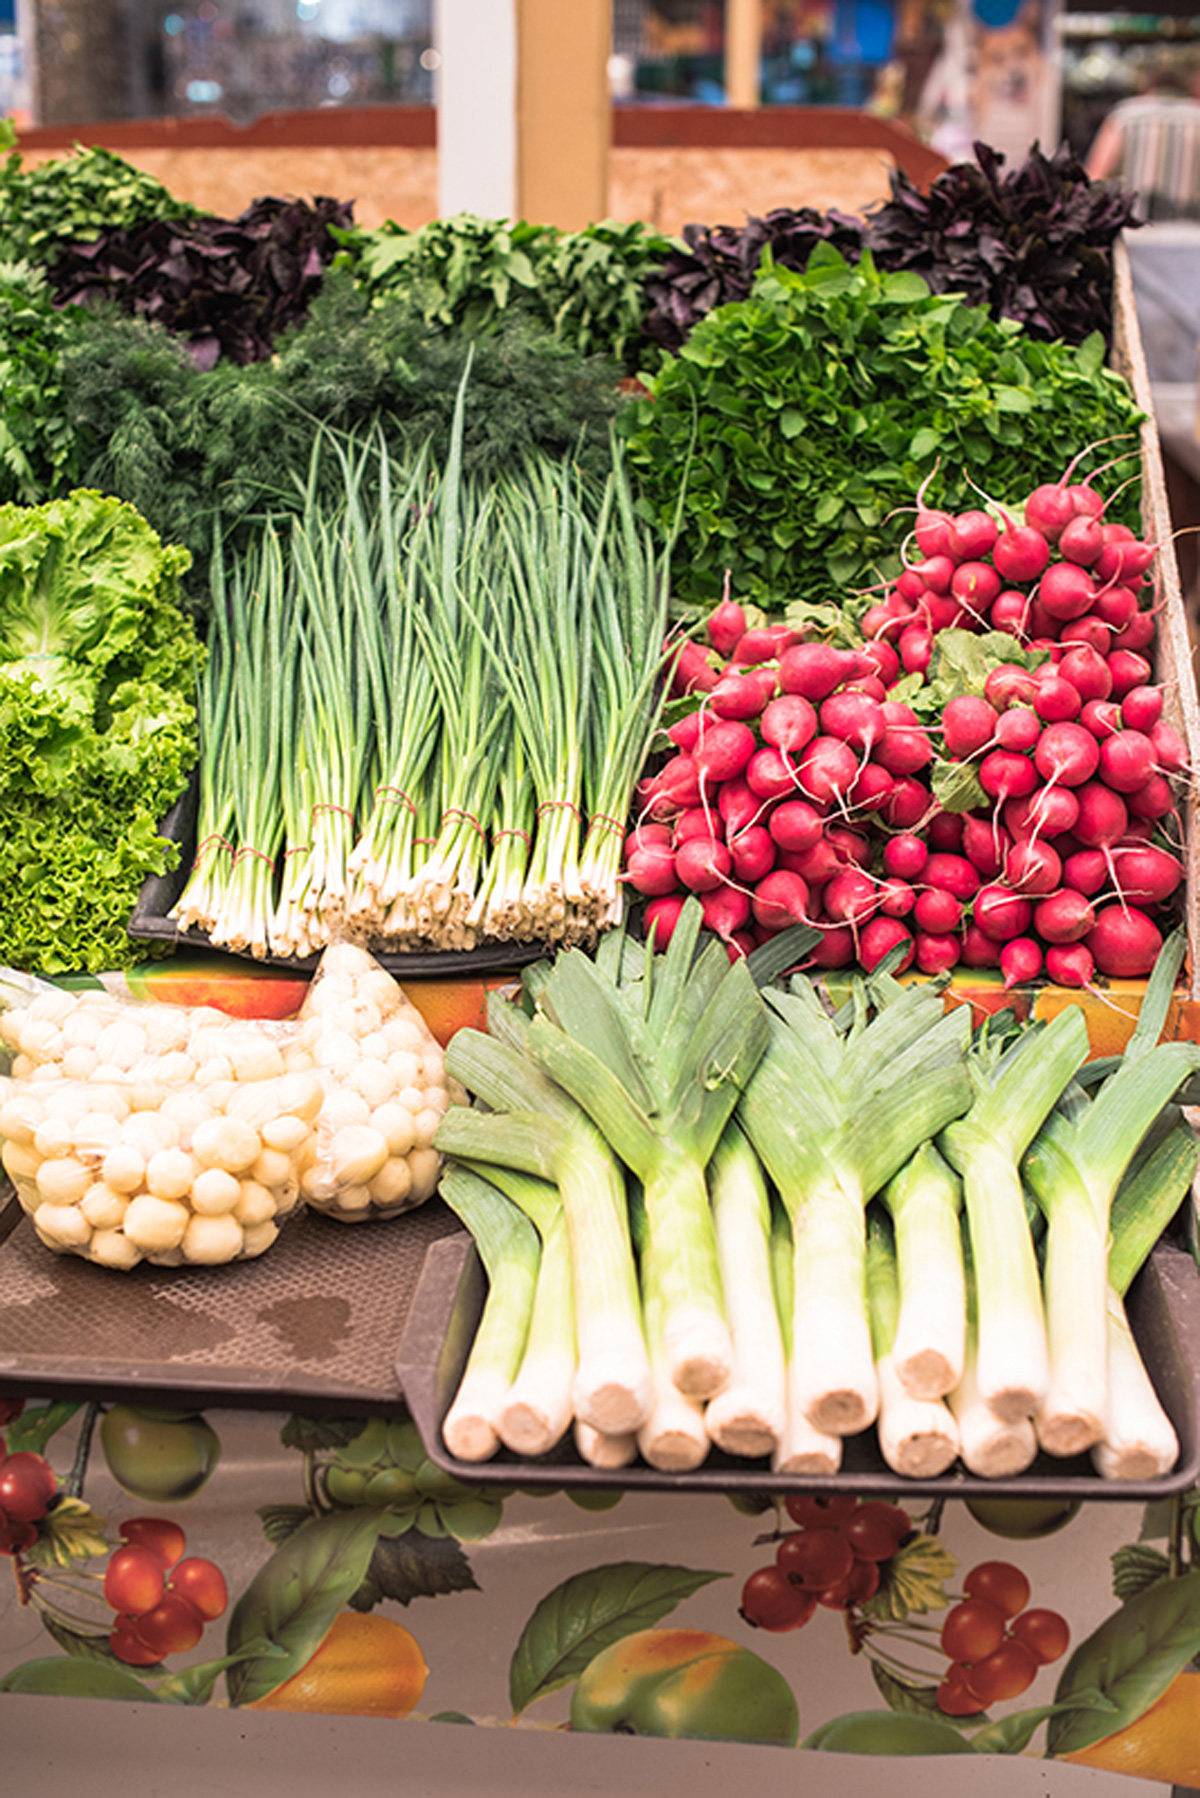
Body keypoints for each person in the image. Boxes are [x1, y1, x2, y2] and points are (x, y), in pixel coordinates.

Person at [1085, 58, 1200, 221]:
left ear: (1146, 87)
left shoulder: (1124, 116)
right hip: (1191, 226)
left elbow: (1097, 174)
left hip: (1134, 222)